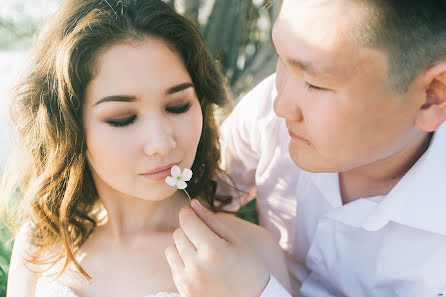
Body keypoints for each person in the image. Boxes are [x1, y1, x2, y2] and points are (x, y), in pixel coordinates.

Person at [1, 1, 291, 296]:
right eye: (122, 118)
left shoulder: (247, 253)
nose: (162, 143)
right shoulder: (40, 246)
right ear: (69, 126)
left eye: (178, 107)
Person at [169, 0, 446, 296]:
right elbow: (199, 198)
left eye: (315, 84)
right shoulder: (268, 116)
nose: (281, 105)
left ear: (431, 94)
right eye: (282, 59)